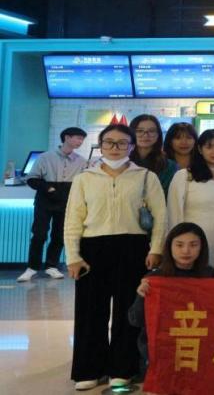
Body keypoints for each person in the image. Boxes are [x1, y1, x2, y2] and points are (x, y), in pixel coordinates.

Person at [64, 124, 166, 392]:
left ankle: (122, 368)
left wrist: (156, 249)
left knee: (127, 312)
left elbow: (161, 217)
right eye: (109, 142)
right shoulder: (84, 178)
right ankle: (89, 369)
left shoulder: (145, 177)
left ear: (131, 146)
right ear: (101, 145)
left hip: (133, 248)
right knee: (90, 311)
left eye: (122, 143)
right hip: (92, 249)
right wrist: (73, 256)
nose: (115, 147)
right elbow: (73, 219)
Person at [128, 223, 214, 381]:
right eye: (179, 245)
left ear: (202, 247)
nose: (186, 251)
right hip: (162, 353)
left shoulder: (209, 275)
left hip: (199, 350)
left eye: (193, 245)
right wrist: (142, 297)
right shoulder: (155, 278)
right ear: (169, 247)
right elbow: (135, 320)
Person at [166, 129, 214, 277]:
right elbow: (173, 212)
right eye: (209, 146)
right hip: (191, 238)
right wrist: (176, 243)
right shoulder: (184, 176)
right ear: (200, 149)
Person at [18, 126, 87, 282]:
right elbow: (32, 179)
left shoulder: (82, 161)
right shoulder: (45, 157)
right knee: (39, 234)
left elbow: (84, 182)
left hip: (67, 202)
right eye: (78, 138)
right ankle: (32, 267)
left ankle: (51, 266)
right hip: (45, 201)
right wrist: (48, 188)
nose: (80, 141)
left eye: (82, 139)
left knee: (59, 235)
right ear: (67, 138)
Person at [129, 115, 177, 193]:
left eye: (151, 131)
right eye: (139, 131)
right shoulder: (123, 162)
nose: (145, 135)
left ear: (158, 134)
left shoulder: (169, 166)